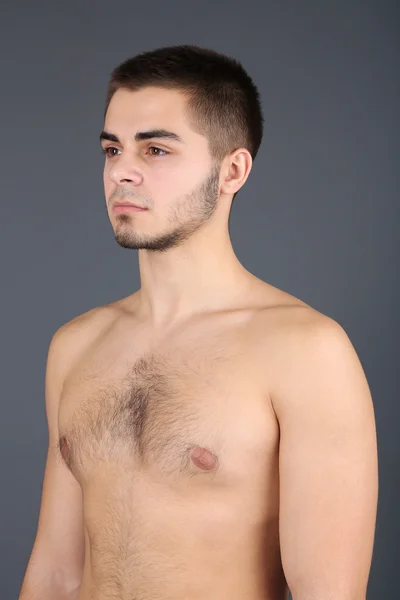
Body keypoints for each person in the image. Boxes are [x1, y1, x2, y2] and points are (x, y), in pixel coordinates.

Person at [19, 44, 378, 600]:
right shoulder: (76, 344)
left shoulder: (306, 350)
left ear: (232, 170)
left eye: (156, 149)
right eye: (112, 149)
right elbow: (55, 572)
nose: (122, 172)